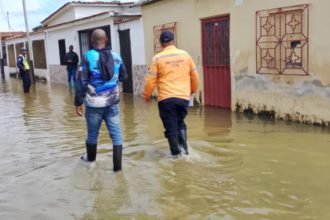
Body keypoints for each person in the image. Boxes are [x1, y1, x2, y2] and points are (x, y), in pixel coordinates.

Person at [74, 29, 127, 172]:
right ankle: (117, 169)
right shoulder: (116, 57)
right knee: (116, 135)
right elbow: (124, 76)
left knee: (92, 134)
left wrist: (78, 102)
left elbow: (81, 81)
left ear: (92, 41)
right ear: (106, 40)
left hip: (93, 105)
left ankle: (91, 161)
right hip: (113, 103)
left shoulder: (87, 57)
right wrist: (112, 84)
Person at [143, 31, 199, 156]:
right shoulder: (186, 55)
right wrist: (193, 91)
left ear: (161, 43)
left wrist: (146, 95)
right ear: (173, 41)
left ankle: (176, 155)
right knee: (180, 122)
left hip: (166, 99)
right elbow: (195, 76)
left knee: (171, 125)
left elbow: (150, 80)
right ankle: (185, 150)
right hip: (183, 97)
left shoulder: (157, 58)